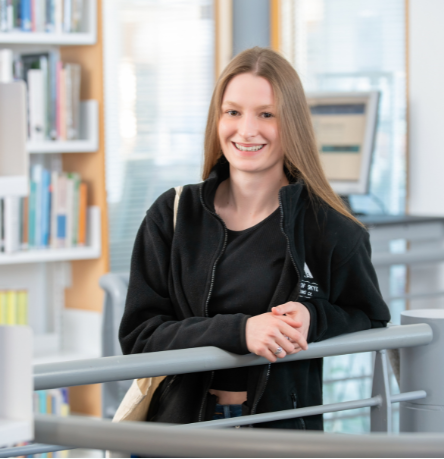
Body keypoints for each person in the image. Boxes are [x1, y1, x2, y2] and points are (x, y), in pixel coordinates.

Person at [119, 47, 390, 430]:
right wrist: (241, 332)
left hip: (278, 433)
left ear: (292, 123)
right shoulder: (173, 215)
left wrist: (314, 317)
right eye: (233, 112)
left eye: (266, 114)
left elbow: (370, 317)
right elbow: (139, 337)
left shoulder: (330, 227)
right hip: (178, 435)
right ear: (218, 119)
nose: (246, 130)